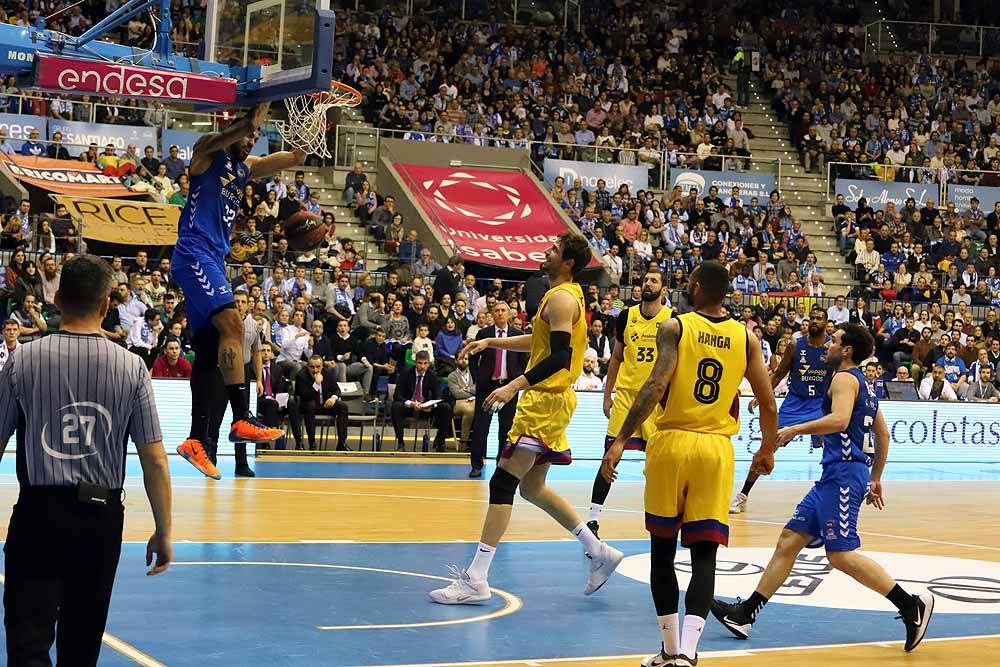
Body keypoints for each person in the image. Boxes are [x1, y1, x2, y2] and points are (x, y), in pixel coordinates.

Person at [710, 324, 935, 654]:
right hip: (839, 474)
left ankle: (910, 605)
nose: (828, 345)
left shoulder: (844, 379)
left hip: (843, 474)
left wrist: (795, 429)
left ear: (846, 350)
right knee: (789, 540)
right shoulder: (865, 385)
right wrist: (875, 477)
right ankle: (746, 614)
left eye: (834, 341)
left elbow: (841, 421)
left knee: (840, 555)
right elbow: (882, 434)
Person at [601, 260, 778, 667]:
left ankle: (668, 648)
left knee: (662, 551)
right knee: (704, 557)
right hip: (717, 449)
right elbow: (767, 403)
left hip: (672, 444)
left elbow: (656, 383)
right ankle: (689, 654)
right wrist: (766, 449)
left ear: (696, 287)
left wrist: (621, 439)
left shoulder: (675, 327)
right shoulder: (746, 337)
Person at [430, 232, 622, 605]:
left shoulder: (563, 299)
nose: (546, 252)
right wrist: (491, 342)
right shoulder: (562, 297)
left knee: (501, 484)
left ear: (566, 262)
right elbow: (541, 343)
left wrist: (512, 386)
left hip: (544, 401)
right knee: (531, 488)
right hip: (548, 400)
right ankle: (597, 550)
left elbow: (559, 357)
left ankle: (476, 579)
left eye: (554, 250)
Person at [0, 255, 172, 665]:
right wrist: (164, 530)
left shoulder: (21, 360)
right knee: (83, 641)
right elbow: (155, 459)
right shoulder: (133, 367)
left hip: (38, 515)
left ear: (57, 300)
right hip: (100, 519)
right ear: (106, 304)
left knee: (28, 639)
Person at [170, 102, 296, 479]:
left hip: (211, 258)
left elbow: (292, 156)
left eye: (255, 138)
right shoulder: (207, 151)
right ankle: (242, 418)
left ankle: (195, 439)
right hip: (194, 251)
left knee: (209, 352)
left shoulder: (248, 168)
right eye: (249, 135)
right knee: (235, 328)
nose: (252, 141)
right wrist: (259, 107)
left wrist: (314, 119)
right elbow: (232, 133)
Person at [588, 268, 673, 537]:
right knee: (609, 458)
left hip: (655, 401)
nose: (647, 283)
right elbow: (616, 358)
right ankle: (593, 518)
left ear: (664, 290)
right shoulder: (626, 315)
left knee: (659, 464)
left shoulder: (673, 320)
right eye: (645, 279)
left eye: (654, 280)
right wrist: (606, 394)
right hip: (625, 397)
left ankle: (664, 518)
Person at [731, 306, 832, 514]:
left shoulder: (832, 347)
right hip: (794, 403)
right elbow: (778, 374)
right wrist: (761, 394)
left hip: (820, 403)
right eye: (811, 318)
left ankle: (830, 495)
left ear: (826, 322)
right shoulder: (796, 345)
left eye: (819, 319)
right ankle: (743, 495)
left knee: (832, 444)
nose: (814, 321)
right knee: (768, 446)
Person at [203, 291, 264, 476]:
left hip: (244, 372)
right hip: (222, 371)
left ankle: (242, 464)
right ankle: (210, 460)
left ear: (248, 305)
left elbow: (257, 352)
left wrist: (259, 379)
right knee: (216, 417)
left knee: (241, 420)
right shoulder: (223, 321)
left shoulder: (253, 325)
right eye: (236, 301)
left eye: (242, 301)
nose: (239, 304)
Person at [467, 301, 527, 478]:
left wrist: (518, 379)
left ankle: (502, 466)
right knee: (480, 428)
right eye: (497, 311)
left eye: (503, 310)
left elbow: (524, 360)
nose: (500, 313)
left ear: (509, 314)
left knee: (506, 429)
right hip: (487, 387)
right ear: (492, 315)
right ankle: (476, 465)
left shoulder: (517, 335)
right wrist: (478, 377)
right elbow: (472, 358)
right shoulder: (484, 334)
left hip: (509, 388)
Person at [391, 350, 454, 451]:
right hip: (410, 407)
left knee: (446, 408)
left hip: (425, 408)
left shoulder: (432, 375)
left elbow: (438, 396)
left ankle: (440, 442)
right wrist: (410, 403)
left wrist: (431, 406)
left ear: (429, 363)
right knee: (395, 406)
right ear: (415, 362)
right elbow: (397, 395)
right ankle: (401, 443)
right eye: (420, 363)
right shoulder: (406, 373)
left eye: (425, 363)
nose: (422, 366)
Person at [294, 355, 350, 451]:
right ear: (307, 366)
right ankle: (312, 444)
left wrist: (333, 398)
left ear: (322, 367)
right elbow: (305, 396)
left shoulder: (327, 373)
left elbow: (336, 390)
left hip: (325, 405)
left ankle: (342, 443)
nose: (315, 370)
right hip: (307, 406)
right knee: (310, 405)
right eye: (312, 367)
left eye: (318, 367)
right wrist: (316, 384)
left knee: (343, 406)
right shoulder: (301, 375)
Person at [256, 345, 303, 450]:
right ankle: (265, 442)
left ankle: (299, 441)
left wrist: (281, 401)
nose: (266, 353)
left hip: (275, 400)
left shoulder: (277, 368)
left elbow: (280, 388)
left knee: (291, 403)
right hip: (260, 401)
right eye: (263, 350)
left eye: (268, 351)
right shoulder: (252, 368)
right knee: (270, 404)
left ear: (272, 354)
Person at [447, 352, 476, 449]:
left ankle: (479, 441)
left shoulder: (474, 373)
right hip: (459, 402)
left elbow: (478, 389)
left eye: (466, 359)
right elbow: (457, 394)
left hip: (475, 400)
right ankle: (464, 441)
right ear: (455, 360)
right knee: (469, 411)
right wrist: (472, 391)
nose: (463, 361)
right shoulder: (452, 376)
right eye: (461, 359)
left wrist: (466, 389)